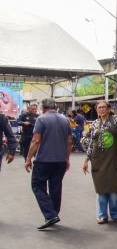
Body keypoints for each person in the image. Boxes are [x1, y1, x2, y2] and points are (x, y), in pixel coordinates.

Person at [24, 98, 72, 230]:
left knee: (37, 186)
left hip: (44, 160)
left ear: (43, 107)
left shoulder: (41, 119)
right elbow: (69, 142)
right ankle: (54, 213)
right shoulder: (65, 120)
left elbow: (35, 140)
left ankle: (51, 215)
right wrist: (67, 159)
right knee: (55, 188)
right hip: (60, 160)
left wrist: (28, 159)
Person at [82, 100, 117, 224]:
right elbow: (91, 143)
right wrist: (86, 159)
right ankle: (102, 215)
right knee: (101, 188)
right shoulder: (95, 123)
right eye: (99, 108)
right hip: (98, 161)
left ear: (108, 108)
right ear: (97, 110)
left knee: (113, 188)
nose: (101, 109)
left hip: (113, 159)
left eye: (103, 107)